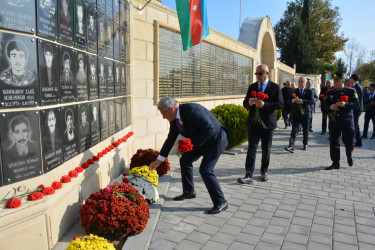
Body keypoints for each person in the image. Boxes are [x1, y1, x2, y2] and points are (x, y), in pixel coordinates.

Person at [149, 96, 229, 214]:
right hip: (202, 140)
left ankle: (221, 202)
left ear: (171, 109)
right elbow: (170, 139)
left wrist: (189, 143)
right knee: (185, 160)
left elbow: (210, 130)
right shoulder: (175, 120)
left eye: (163, 114)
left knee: (206, 170)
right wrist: (159, 160)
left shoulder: (193, 110)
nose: (163, 117)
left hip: (216, 140)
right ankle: (189, 192)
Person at [237, 64, 283, 184]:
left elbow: (280, 104)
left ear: (267, 73)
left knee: (266, 149)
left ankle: (264, 172)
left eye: (260, 74)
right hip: (253, 123)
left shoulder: (275, 87)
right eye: (256, 74)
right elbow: (244, 103)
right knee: (251, 149)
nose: (257, 76)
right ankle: (248, 175)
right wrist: (249, 102)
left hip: (268, 124)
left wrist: (265, 105)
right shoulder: (252, 87)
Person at [324, 72, 359, 170]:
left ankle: (349, 156)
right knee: (334, 142)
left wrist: (346, 105)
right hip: (334, 121)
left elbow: (357, 105)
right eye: (334, 80)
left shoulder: (351, 91)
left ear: (343, 81)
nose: (334, 82)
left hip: (347, 121)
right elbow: (324, 106)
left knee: (349, 142)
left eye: (337, 80)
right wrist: (330, 107)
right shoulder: (330, 92)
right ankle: (335, 163)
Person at [285, 77, 314, 153]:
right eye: (299, 81)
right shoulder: (294, 91)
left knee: (305, 130)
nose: (301, 83)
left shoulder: (309, 91)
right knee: (294, 130)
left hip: (306, 113)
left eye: (302, 81)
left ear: (305, 83)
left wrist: (302, 101)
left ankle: (305, 144)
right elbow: (288, 100)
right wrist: (293, 100)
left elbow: (312, 101)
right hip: (296, 114)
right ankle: (291, 146)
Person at [350, 74, 363, 147]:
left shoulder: (357, 87)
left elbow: (356, 98)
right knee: (356, 125)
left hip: (357, 109)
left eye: (350, 79)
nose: (350, 80)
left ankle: (354, 141)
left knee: (354, 125)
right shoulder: (356, 86)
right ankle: (358, 141)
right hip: (357, 109)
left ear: (353, 79)